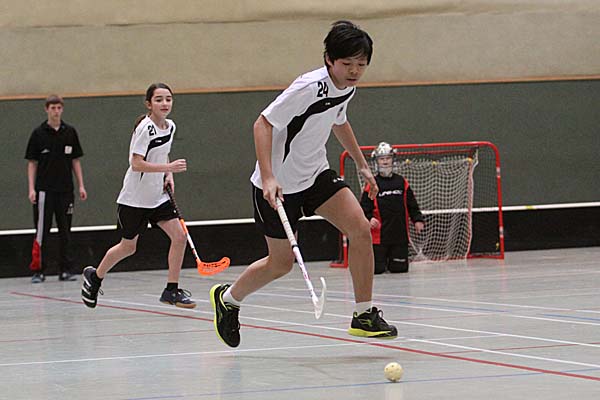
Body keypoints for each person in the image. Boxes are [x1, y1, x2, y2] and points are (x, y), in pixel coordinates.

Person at [210, 20, 398, 348]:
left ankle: (363, 314)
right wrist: (269, 176)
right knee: (280, 264)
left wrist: (362, 165)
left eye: (361, 64)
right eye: (347, 63)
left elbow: (339, 120)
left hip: (315, 176)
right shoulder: (308, 88)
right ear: (329, 59)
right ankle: (228, 299)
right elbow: (262, 124)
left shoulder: (346, 87)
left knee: (360, 229)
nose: (355, 71)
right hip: (277, 186)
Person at [80, 83, 195, 309]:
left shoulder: (170, 126)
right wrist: (168, 167)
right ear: (149, 104)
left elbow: (162, 152)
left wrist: (168, 174)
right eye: (159, 99)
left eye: (168, 99)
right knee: (128, 247)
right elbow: (136, 163)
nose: (164, 103)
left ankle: (171, 290)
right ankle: (95, 277)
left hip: (158, 197)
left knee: (180, 236)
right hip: (134, 200)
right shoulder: (145, 128)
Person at [25, 94, 88, 283]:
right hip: (44, 191)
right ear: (47, 109)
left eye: (59, 108)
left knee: (65, 231)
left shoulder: (70, 132)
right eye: (52, 108)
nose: (56, 111)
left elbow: (75, 161)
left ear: (62, 109)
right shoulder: (38, 134)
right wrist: (31, 189)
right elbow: (32, 163)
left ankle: (65, 270)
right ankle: (39, 271)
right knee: (42, 232)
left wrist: (81, 185)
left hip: (66, 191)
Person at [360, 142, 425, 274]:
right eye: (382, 159)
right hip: (379, 237)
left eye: (388, 158)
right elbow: (364, 207)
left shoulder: (401, 182)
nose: (385, 161)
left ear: (393, 160)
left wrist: (417, 220)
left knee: (399, 269)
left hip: (399, 236)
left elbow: (412, 204)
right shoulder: (372, 184)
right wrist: (369, 218)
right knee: (377, 270)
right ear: (376, 161)